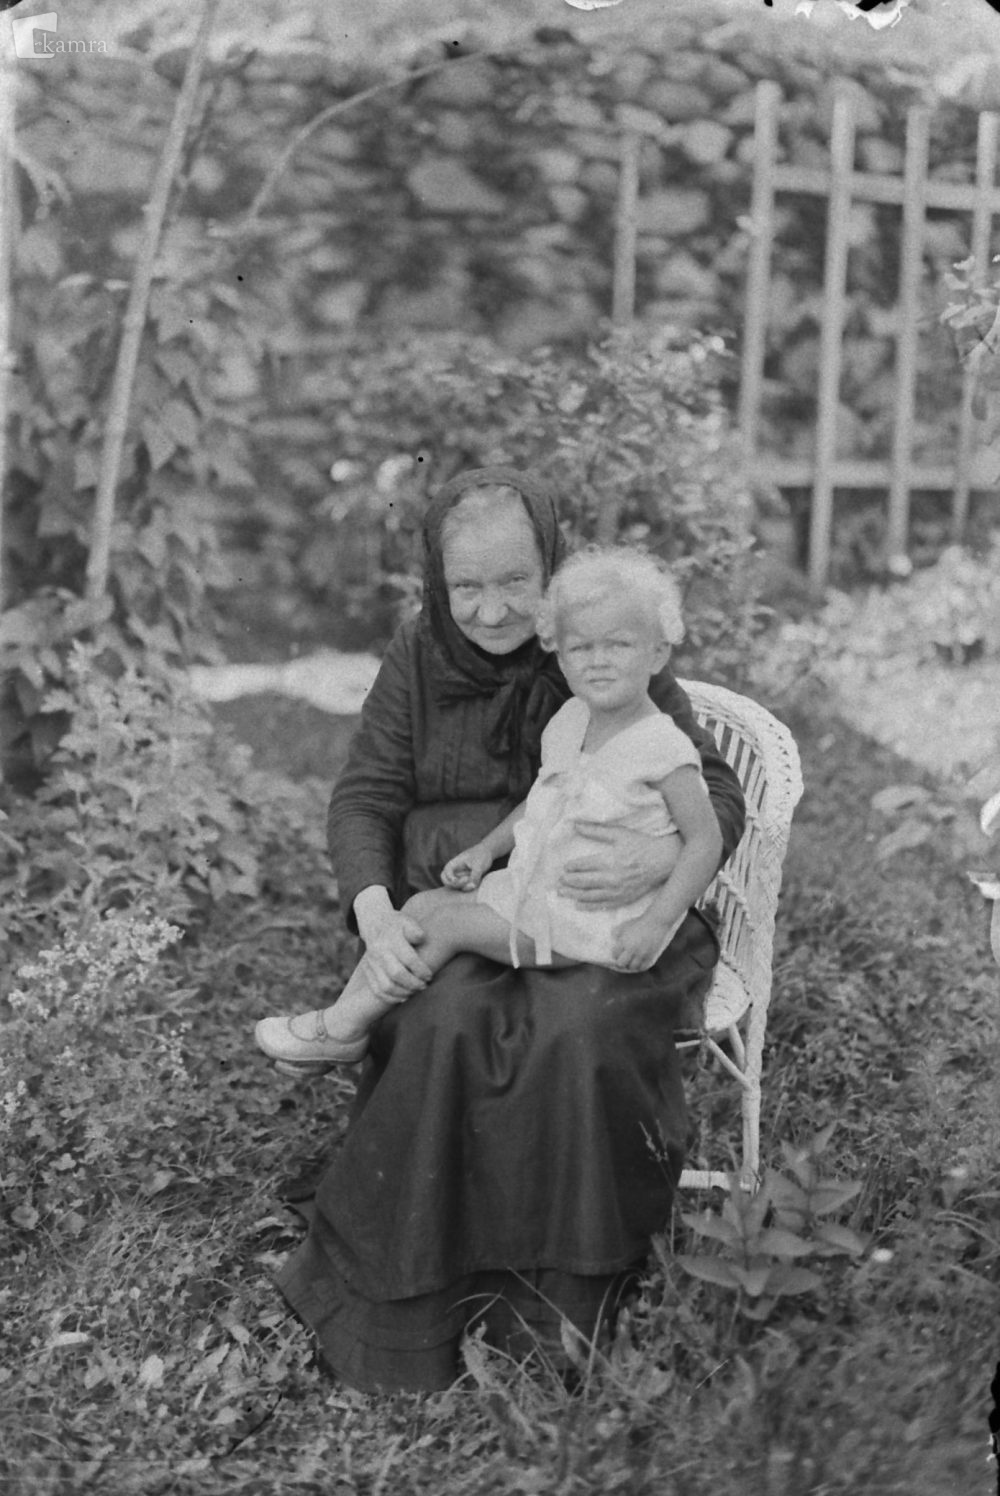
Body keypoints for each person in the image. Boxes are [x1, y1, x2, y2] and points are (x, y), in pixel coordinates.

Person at [267, 467, 746, 1393]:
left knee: (577, 1027)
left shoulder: (597, 639)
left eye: (516, 582)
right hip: (475, 901)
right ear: (438, 585)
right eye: (467, 587)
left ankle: (557, 1303)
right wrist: (376, 913)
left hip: (606, 908)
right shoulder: (417, 657)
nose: (492, 611)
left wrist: (655, 864)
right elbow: (365, 796)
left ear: (551, 572)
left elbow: (711, 794)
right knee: (446, 1021)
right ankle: (413, 1299)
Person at [254, 547, 722, 1069]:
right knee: (420, 908)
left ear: (657, 654)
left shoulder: (662, 748)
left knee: (448, 927)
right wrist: (485, 849)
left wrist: (656, 922)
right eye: (580, 647)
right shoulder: (572, 720)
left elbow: (705, 841)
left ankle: (342, 1030)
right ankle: (346, 1017)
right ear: (559, 654)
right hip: (539, 887)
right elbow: (542, 799)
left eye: (619, 645)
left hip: (597, 922)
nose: (598, 660)